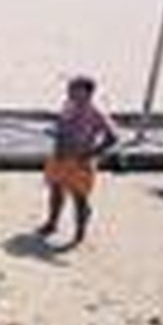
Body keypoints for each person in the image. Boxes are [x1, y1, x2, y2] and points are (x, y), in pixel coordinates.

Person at [39, 76, 119, 247]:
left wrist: (91, 153)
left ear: (88, 93)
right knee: (56, 191)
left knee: (79, 198)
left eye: (75, 89)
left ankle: (79, 233)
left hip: (80, 162)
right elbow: (61, 127)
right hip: (60, 157)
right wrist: (57, 141)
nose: (70, 92)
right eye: (70, 89)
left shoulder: (96, 113)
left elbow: (113, 137)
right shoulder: (68, 106)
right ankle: (52, 223)